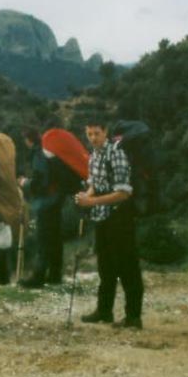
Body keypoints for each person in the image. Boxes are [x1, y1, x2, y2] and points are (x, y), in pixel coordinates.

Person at [75, 118, 144, 329]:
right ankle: (104, 311)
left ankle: (133, 317)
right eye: (89, 134)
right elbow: (95, 185)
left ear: (105, 132)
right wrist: (84, 197)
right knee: (105, 266)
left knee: (127, 265)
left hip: (120, 217)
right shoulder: (94, 156)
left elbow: (123, 192)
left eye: (96, 133)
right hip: (102, 217)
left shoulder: (116, 153)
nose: (93, 138)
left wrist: (91, 201)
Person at [18, 128, 65, 287]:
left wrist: (25, 183)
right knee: (55, 238)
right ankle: (55, 274)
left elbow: (40, 182)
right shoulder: (50, 151)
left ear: (28, 140)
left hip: (46, 202)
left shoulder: (39, 154)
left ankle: (38, 276)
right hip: (57, 198)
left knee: (44, 239)